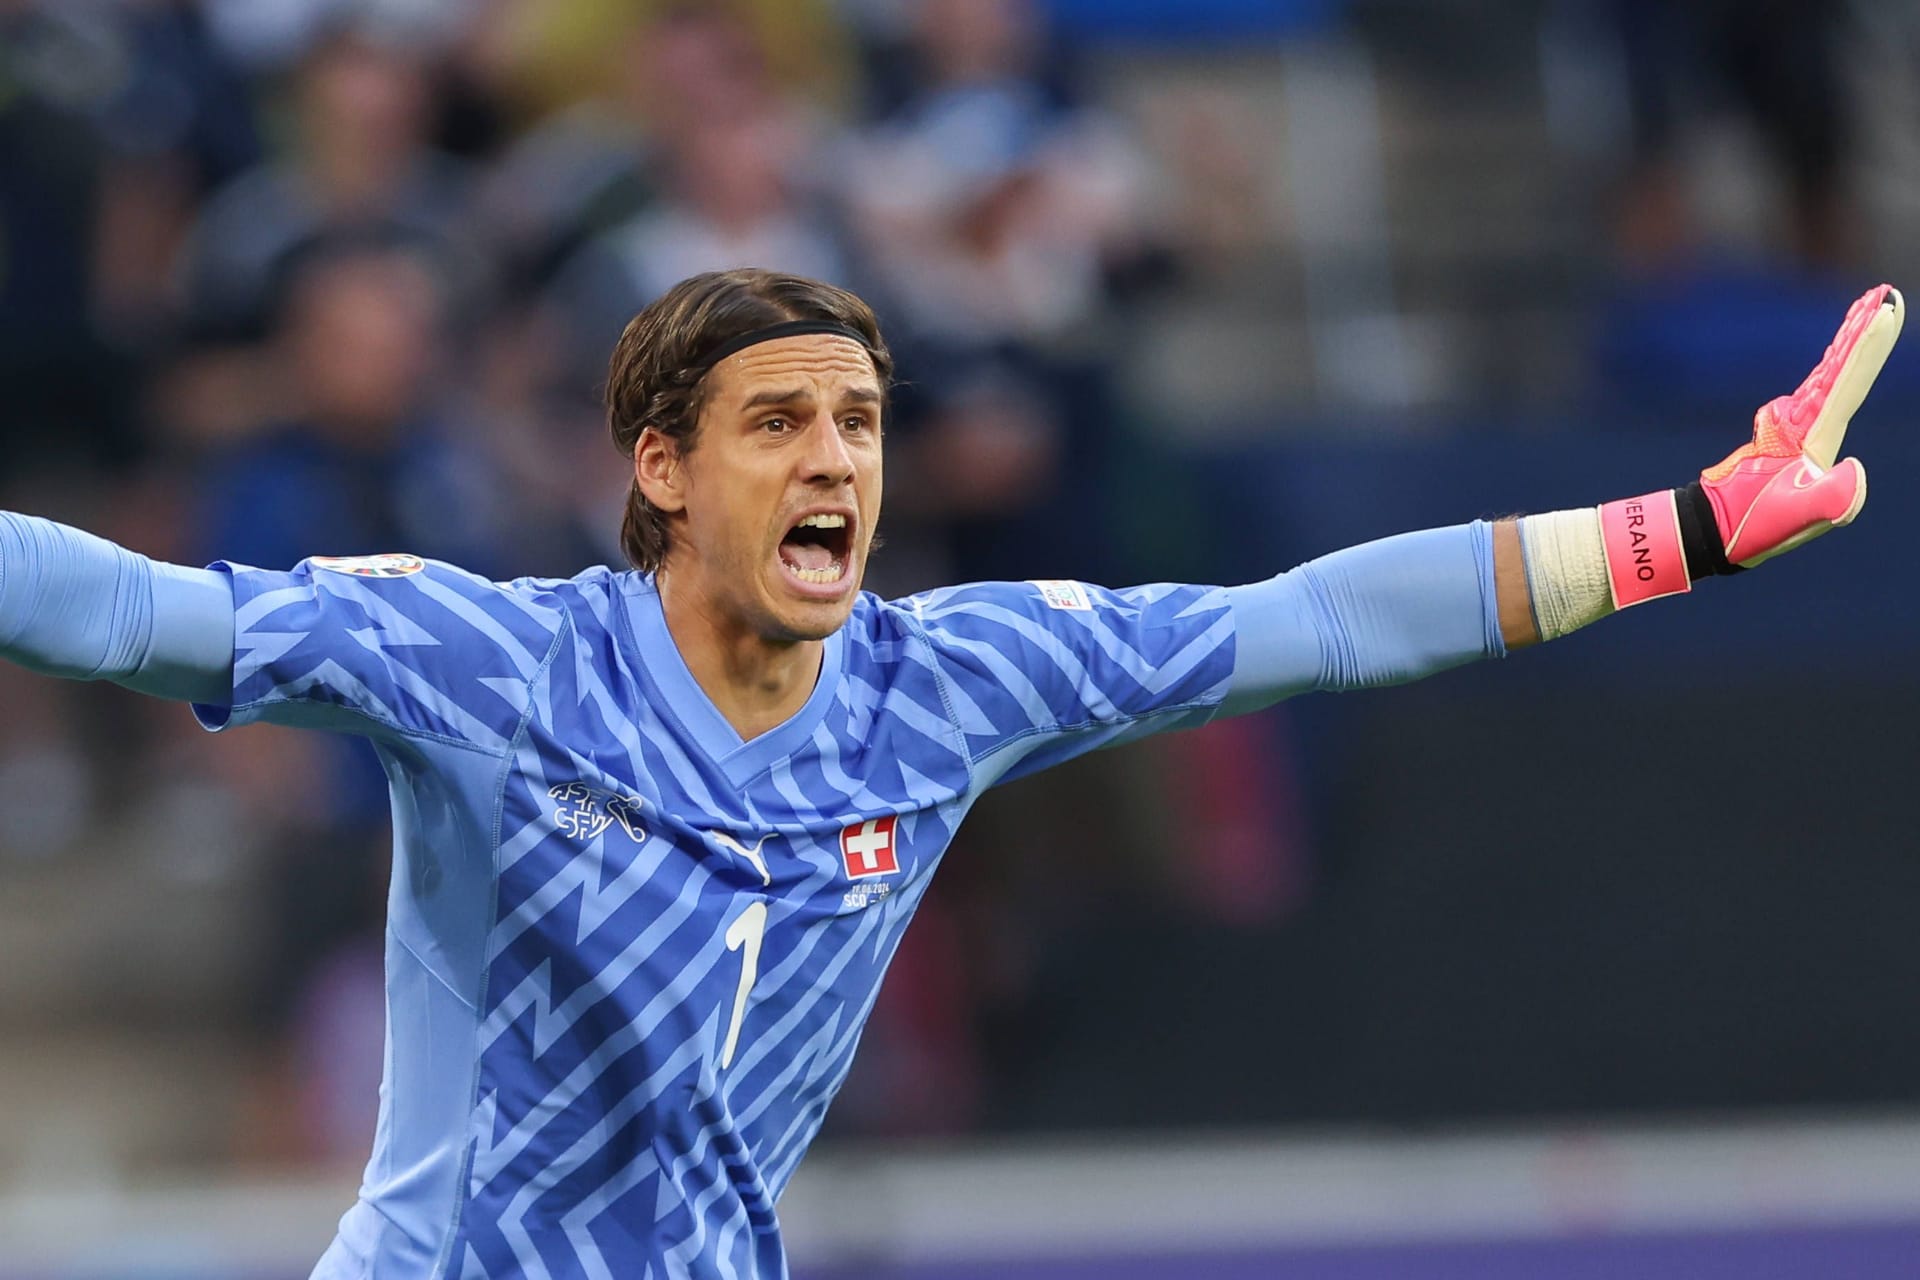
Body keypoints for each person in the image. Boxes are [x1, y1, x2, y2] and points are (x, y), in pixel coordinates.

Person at [0, 268, 1899, 1276]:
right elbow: (124, 610)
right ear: (661, 467)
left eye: (860, 422)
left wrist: (1684, 532)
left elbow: (1315, 622)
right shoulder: (480, 660)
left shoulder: (954, 685)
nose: (834, 460)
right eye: (775, 423)